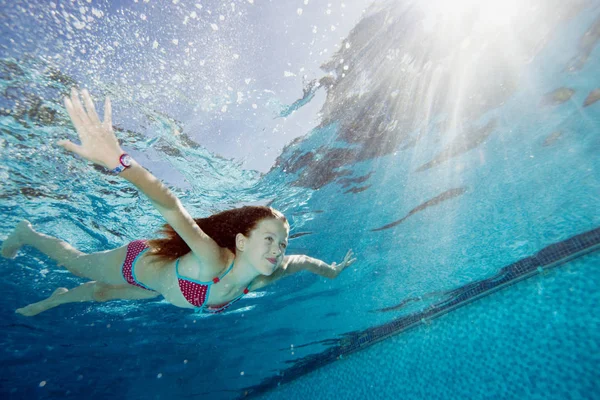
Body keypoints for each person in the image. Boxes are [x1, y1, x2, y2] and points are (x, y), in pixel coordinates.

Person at [1, 88, 356, 316]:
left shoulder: (267, 275)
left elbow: (306, 261)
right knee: (79, 265)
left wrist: (335, 270)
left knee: (102, 296)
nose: (278, 250)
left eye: (282, 242)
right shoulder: (213, 260)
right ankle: (27, 232)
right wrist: (119, 161)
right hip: (136, 264)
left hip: (154, 289)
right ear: (242, 241)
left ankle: (58, 297)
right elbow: (172, 207)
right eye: (269, 239)